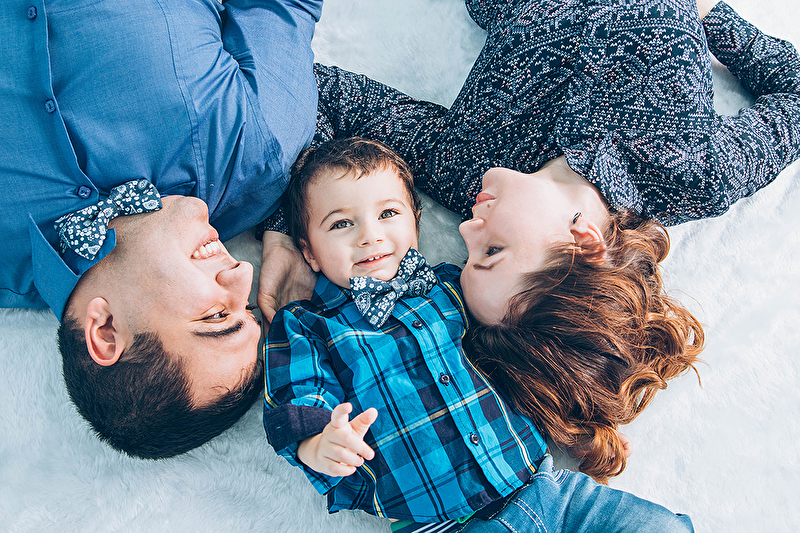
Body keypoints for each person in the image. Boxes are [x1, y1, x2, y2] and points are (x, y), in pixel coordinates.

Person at [261, 0, 800, 481]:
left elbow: (311, 92)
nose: (466, 228)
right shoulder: (693, 173)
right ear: (583, 243)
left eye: (470, 255)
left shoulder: (465, 167)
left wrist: (288, 233)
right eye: (492, 252)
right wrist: (710, 18)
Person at [263, 137, 693, 532]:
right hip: (442, 523)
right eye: (341, 224)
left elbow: (523, 354)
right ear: (309, 252)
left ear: (415, 223)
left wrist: (579, 427)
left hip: (546, 486)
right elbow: (296, 396)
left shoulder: (457, 285)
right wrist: (318, 443)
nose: (369, 235)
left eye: (388, 214)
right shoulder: (306, 324)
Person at [0, 0, 323, 459]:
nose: (242, 274)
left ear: (106, 331)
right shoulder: (259, 151)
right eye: (249, 307)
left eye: (216, 316)